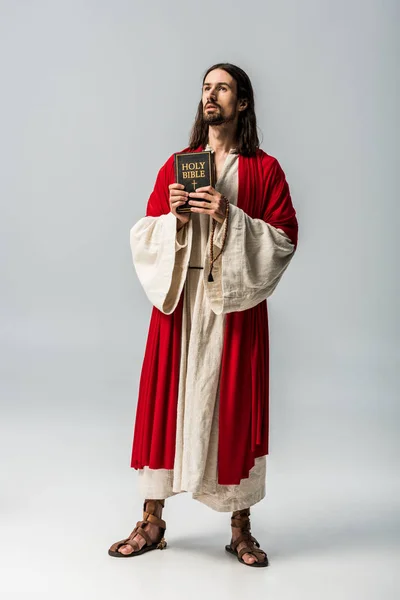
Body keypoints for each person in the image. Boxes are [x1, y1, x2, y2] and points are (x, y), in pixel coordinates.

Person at [108, 63, 298, 567]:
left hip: (232, 303)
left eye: (223, 88)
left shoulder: (264, 170)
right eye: (206, 88)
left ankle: (240, 527)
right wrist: (172, 217)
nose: (211, 95)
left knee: (233, 405)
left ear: (242, 103)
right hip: (182, 298)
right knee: (166, 405)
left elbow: (283, 238)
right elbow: (142, 233)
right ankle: (151, 519)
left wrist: (228, 216)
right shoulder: (179, 164)